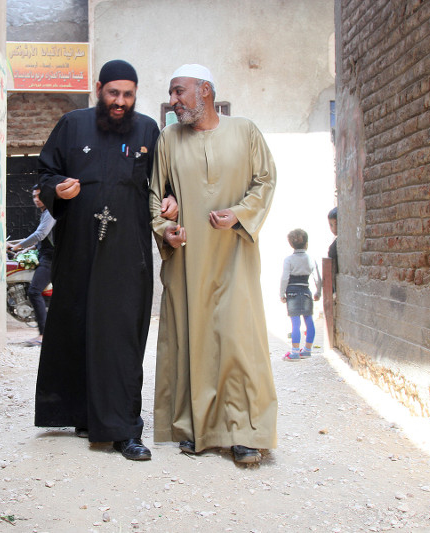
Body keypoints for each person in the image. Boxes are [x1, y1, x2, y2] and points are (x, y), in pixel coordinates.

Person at [35, 59, 176, 461]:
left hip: (126, 251)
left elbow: (163, 184)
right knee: (77, 324)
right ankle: (84, 414)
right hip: (78, 246)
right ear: (99, 89)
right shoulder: (72, 125)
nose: (120, 102)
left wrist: (170, 199)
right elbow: (45, 174)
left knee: (120, 336)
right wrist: (57, 191)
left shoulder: (149, 129)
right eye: (114, 93)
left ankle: (124, 429)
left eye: (128, 94)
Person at [149, 64, 277, 465]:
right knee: (193, 336)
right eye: (171, 94)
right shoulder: (168, 138)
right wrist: (165, 229)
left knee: (240, 339)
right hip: (188, 258)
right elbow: (156, 194)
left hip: (234, 252)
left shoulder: (245, 131)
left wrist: (240, 213)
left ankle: (245, 432)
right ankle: (196, 429)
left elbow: (266, 181)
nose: (173, 101)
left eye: (179, 91)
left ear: (205, 90)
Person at [7, 184, 54, 345]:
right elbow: (43, 239)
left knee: (34, 291)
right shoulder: (45, 213)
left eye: (39, 196)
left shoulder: (51, 213)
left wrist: (18, 246)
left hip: (51, 259)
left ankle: (43, 335)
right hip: (45, 255)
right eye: (34, 196)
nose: (36, 199)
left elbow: (40, 234)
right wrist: (26, 248)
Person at [280, 229, 321, 361]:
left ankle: (295, 351)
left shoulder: (288, 260)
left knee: (295, 323)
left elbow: (285, 278)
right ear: (306, 244)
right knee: (309, 320)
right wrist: (318, 292)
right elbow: (317, 278)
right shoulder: (311, 259)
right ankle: (308, 350)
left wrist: (282, 293)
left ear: (291, 244)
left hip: (292, 293)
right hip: (306, 292)